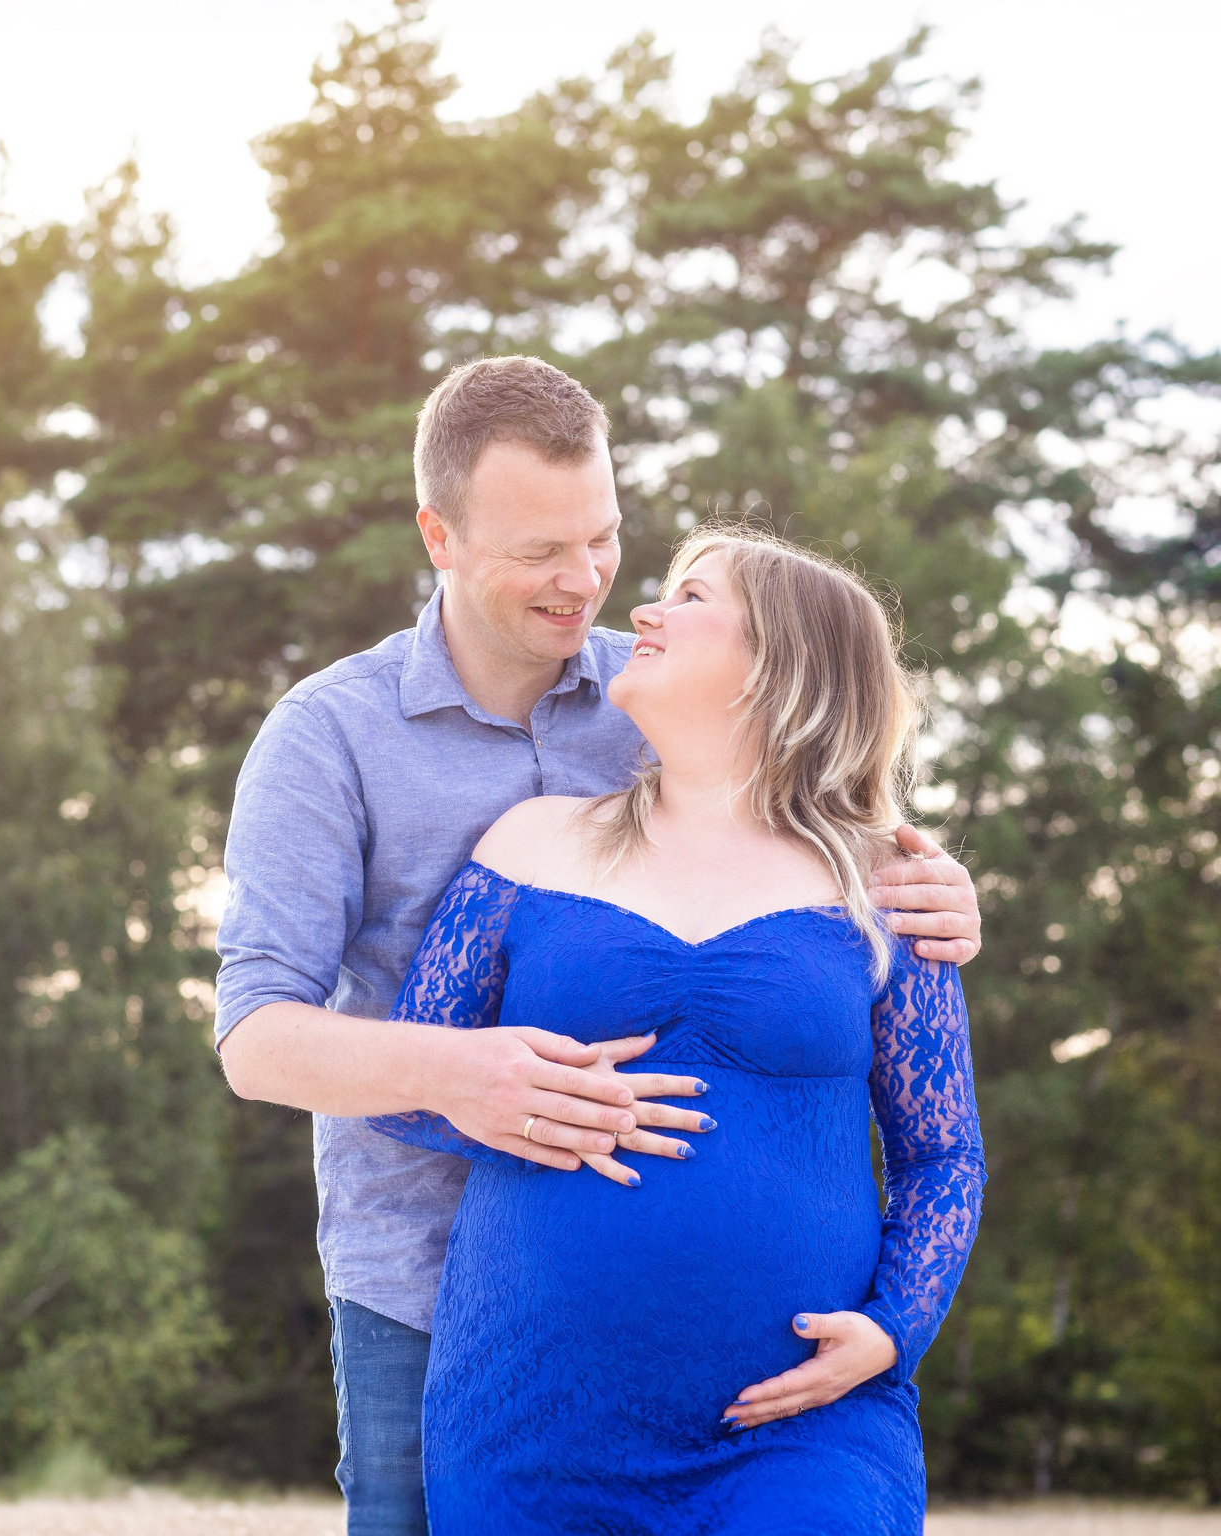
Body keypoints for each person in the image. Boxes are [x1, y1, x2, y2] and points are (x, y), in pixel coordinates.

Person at [212, 357, 985, 1534]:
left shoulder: (663, 686)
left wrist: (938, 894)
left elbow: (838, 829)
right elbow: (255, 1039)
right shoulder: (330, 737)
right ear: (441, 535)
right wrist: (450, 1073)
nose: (590, 585)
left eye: (605, 538)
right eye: (538, 553)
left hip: (765, 1375)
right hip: (436, 1298)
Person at [371, 524, 984, 1533]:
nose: (642, 613)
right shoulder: (530, 845)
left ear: (780, 665)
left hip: (803, 1425)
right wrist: (522, 1105)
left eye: (690, 596)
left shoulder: (889, 884)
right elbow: (405, 1080)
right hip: (530, 1416)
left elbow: (943, 1156)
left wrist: (893, 1331)